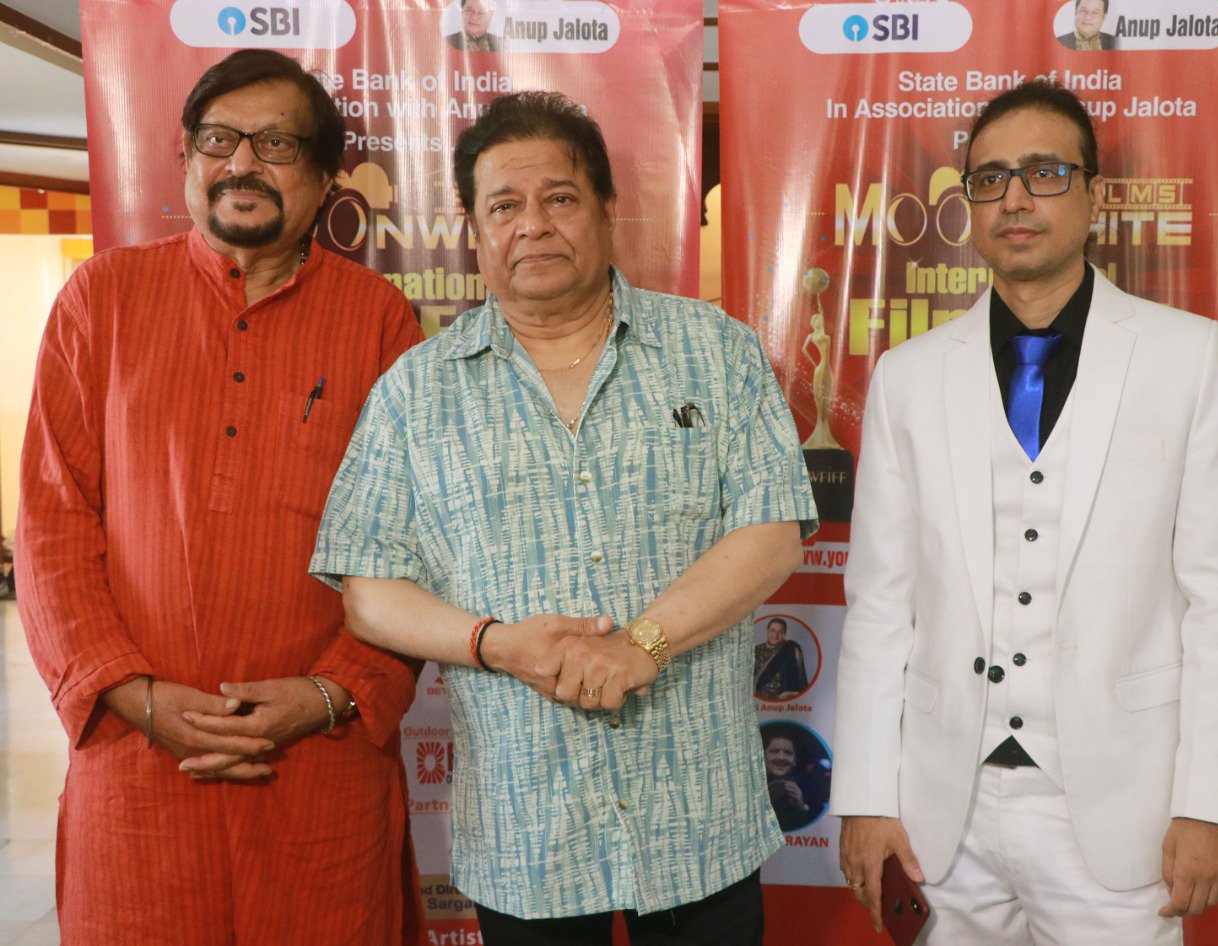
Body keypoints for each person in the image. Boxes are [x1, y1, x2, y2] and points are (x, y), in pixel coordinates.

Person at [310, 90, 817, 946]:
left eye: (560, 198)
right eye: (504, 206)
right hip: (526, 833)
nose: (533, 226)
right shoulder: (416, 392)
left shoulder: (715, 349)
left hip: (699, 819)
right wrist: (497, 644)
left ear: (608, 210)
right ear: (475, 230)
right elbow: (368, 590)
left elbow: (771, 533)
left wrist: (642, 643)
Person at [831, 80, 1218, 945]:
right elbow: (880, 605)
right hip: (941, 813)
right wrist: (866, 797)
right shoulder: (909, 378)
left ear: (1093, 195)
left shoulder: (1186, 358)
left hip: (1120, 811)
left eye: (1045, 172)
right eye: (990, 179)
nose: (1016, 198)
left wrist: (1212, 804)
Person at [16, 50, 426, 944]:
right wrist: (132, 695)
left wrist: (329, 696)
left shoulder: (379, 321)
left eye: (277, 144)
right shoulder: (101, 300)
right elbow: (52, 525)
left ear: (326, 178)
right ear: (186, 160)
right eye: (218, 140)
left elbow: (415, 542)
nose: (241, 163)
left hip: (319, 765)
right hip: (139, 765)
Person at [763, 733, 823, 832]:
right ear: (764, 756)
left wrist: (802, 807)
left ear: (795, 760)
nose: (781, 757)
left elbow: (821, 828)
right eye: (774, 751)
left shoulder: (812, 790)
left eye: (788, 753)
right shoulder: (746, 787)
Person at [754, 617, 809, 700]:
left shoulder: (791, 648)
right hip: (760, 700)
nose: (775, 635)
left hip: (785, 700)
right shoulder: (756, 650)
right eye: (772, 631)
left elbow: (801, 676)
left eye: (780, 632)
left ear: (784, 633)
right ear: (767, 631)